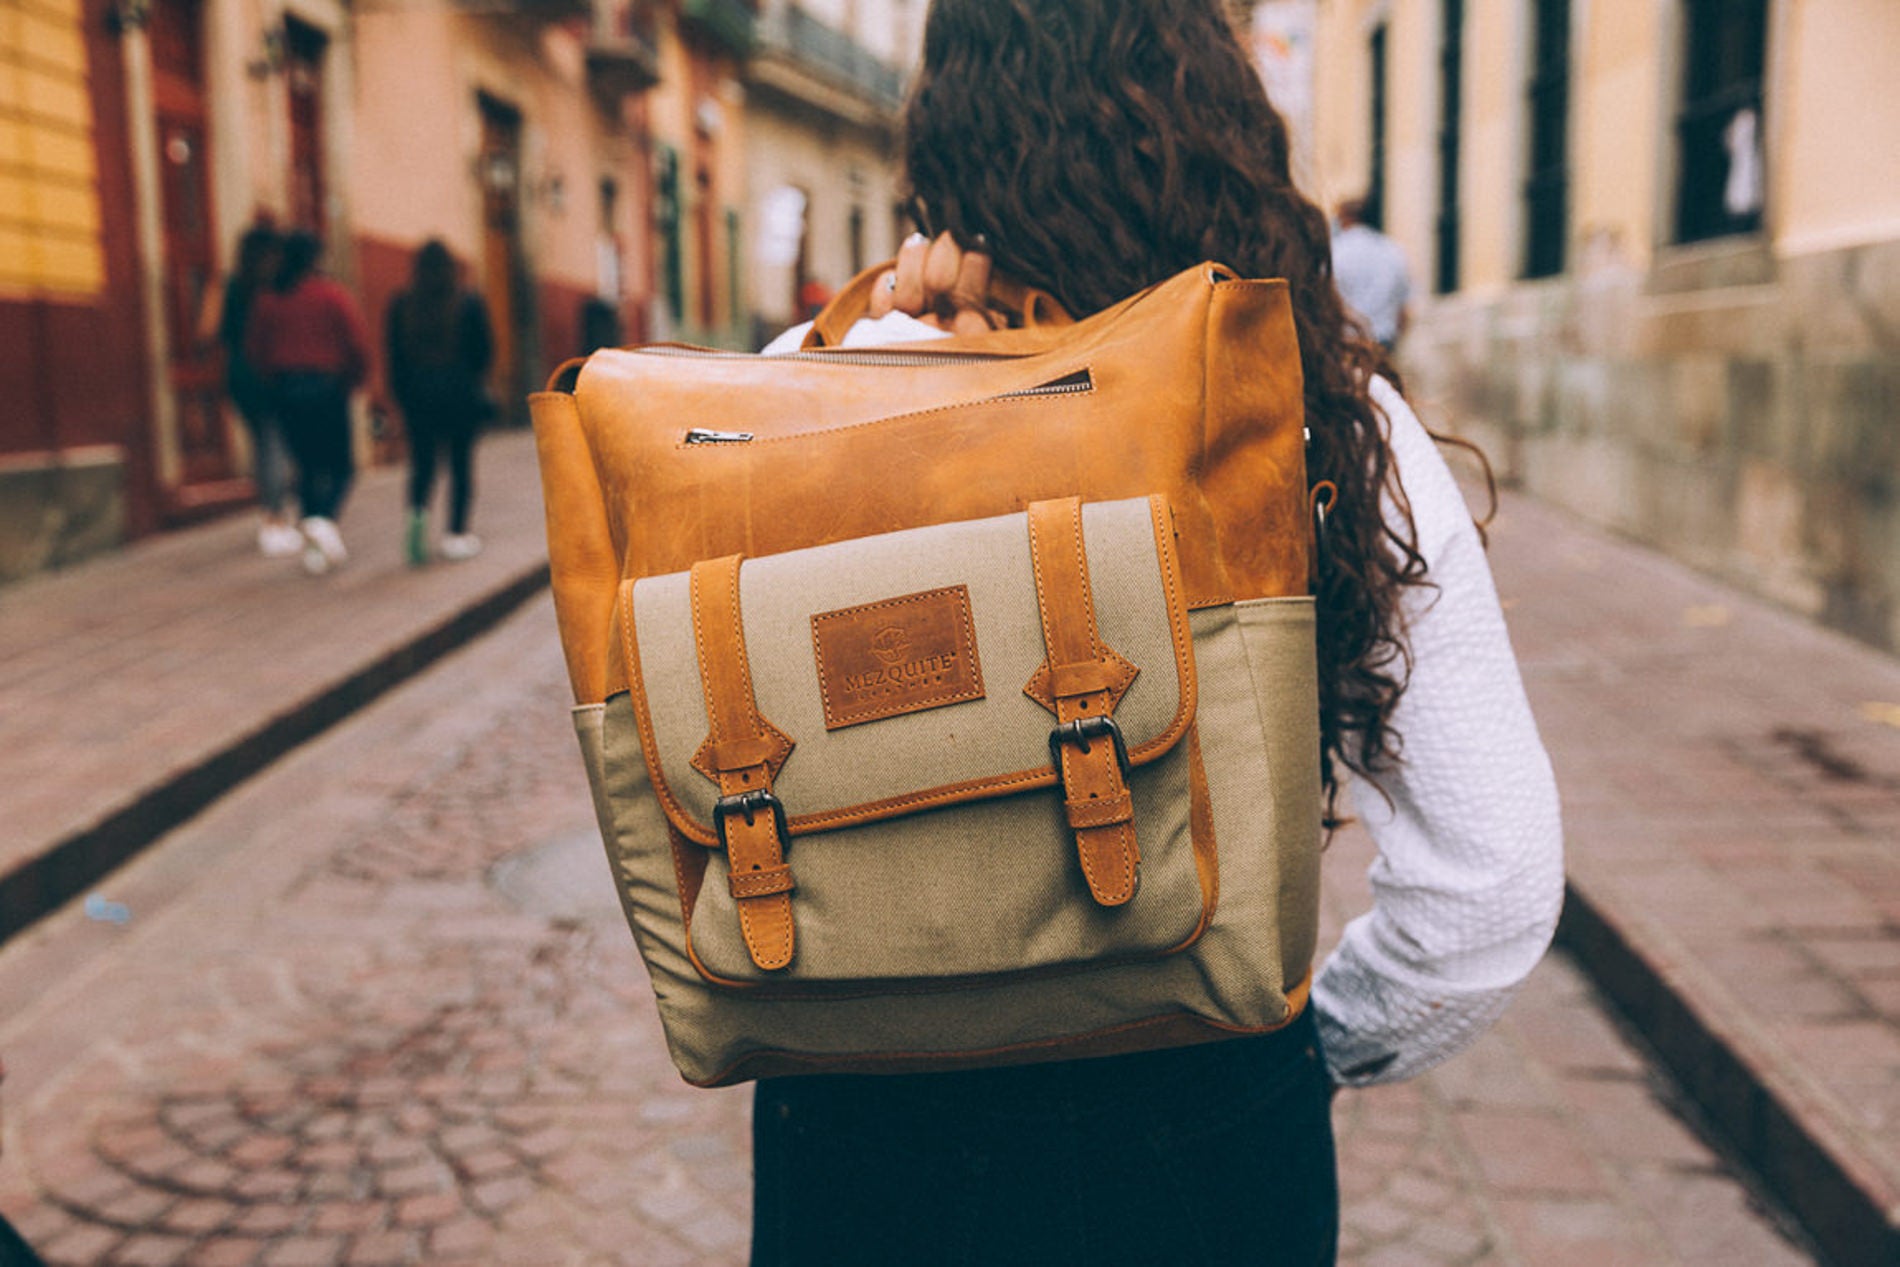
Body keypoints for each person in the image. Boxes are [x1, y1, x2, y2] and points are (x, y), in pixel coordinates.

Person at [752, 3, 1563, 1263]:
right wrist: (1290, 1045)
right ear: (1217, 122)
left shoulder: (793, 395)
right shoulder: (1317, 412)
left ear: (940, 132)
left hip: (865, 1125)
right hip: (1207, 1125)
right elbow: (1488, 889)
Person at [246, 231, 371, 575]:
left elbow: (255, 349)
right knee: (342, 466)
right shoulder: (330, 295)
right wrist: (355, 380)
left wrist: (275, 381)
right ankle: (323, 520)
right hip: (326, 388)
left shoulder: (268, 299)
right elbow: (356, 341)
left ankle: (315, 549)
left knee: (307, 468)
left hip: (285, 391)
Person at [385, 239, 494, 564]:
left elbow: (394, 356)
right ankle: (456, 534)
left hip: (417, 396)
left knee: (422, 465)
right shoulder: (468, 302)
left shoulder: (402, 304)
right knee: (461, 466)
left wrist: (402, 396)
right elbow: (483, 352)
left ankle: (417, 527)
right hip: (459, 394)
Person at [205, 222, 299, 556]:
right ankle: (274, 521)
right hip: (268, 371)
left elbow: (209, 329)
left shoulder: (231, 284)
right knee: (275, 444)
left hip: (239, 373)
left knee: (263, 444)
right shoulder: (272, 289)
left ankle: (271, 515)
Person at [1329, 195, 1413, 353]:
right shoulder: (1392, 250)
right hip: (1384, 343)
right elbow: (1404, 309)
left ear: (1345, 218)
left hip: (1347, 344)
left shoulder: (1335, 251)